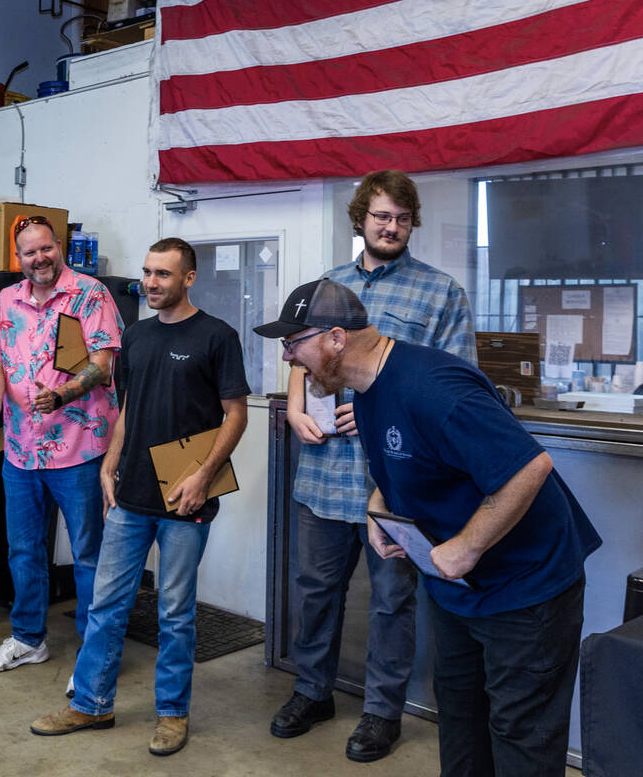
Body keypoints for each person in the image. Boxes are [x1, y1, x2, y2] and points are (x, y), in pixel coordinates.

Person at [255, 278, 600, 777]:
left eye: (293, 344)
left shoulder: (434, 389)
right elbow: (399, 464)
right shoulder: (368, 387)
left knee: (520, 736)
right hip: (457, 589)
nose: (289, 358)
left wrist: (464, 547)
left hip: (528, 588)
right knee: (460, 720)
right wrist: (380, 507)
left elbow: (530, 468)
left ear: (335, 338)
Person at [270, 170, 476, 763]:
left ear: (412, 224)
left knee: (392, 600)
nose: (391, 226)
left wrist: (388, 405)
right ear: (359, 219)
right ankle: (312, 691)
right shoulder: (324, 285)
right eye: (381, 215)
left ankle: (382, 712)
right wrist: (293, 405)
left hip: (396, 480)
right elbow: (299, 357)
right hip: (323, 471)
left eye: (402, 218)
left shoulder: (441, 294)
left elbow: (454, 384)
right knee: (314, 591)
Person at [29, 238, 249, 755]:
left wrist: (202, 476)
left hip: (186, 496)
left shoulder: (218, 336)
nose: (151, 283)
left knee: (175, 612)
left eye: (164, 275)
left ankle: (172, 713)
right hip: (131, 495)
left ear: (189, 278)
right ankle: (90, 704)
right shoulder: (137, 337)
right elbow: (128, 407)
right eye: (148, 273)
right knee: (106, 604)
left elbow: (235, 414)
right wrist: (110, 461)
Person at [0, 215, 123, 680]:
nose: (39, 259)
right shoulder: (8, 299)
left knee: (89, 553)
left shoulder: (89, 293)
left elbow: (102, 362)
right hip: (19, 448)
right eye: (29, 252)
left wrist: (63, 394)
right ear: (19, 258)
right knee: (23, 551)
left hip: (79, 449)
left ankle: (94, 654)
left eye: (45, 249)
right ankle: (28, 638)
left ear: (59, 247)